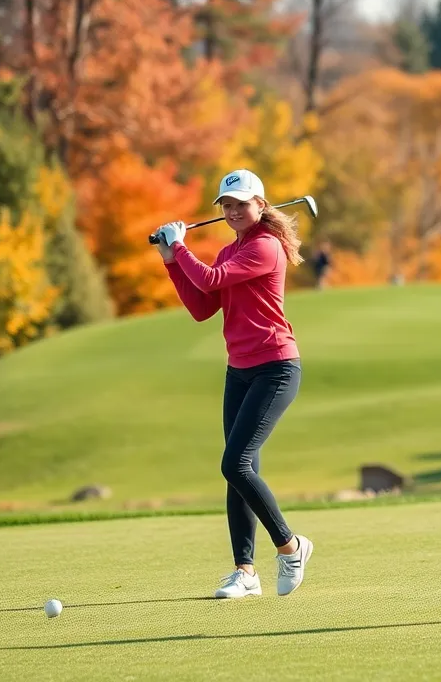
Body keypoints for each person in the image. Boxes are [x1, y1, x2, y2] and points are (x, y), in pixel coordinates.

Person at [153, 169, 314, 599]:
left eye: (241, 203)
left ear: (260, 205)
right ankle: (246, 572)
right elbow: (202, 307)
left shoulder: (266, 246)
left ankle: (292, 547)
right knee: (241, 471)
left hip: (275, 367)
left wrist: (180, 247)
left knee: (235, 464)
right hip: (239, 370)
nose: (232, 211)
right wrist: (171, 262)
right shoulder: (230, 250)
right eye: (226, 205)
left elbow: (209, 279)